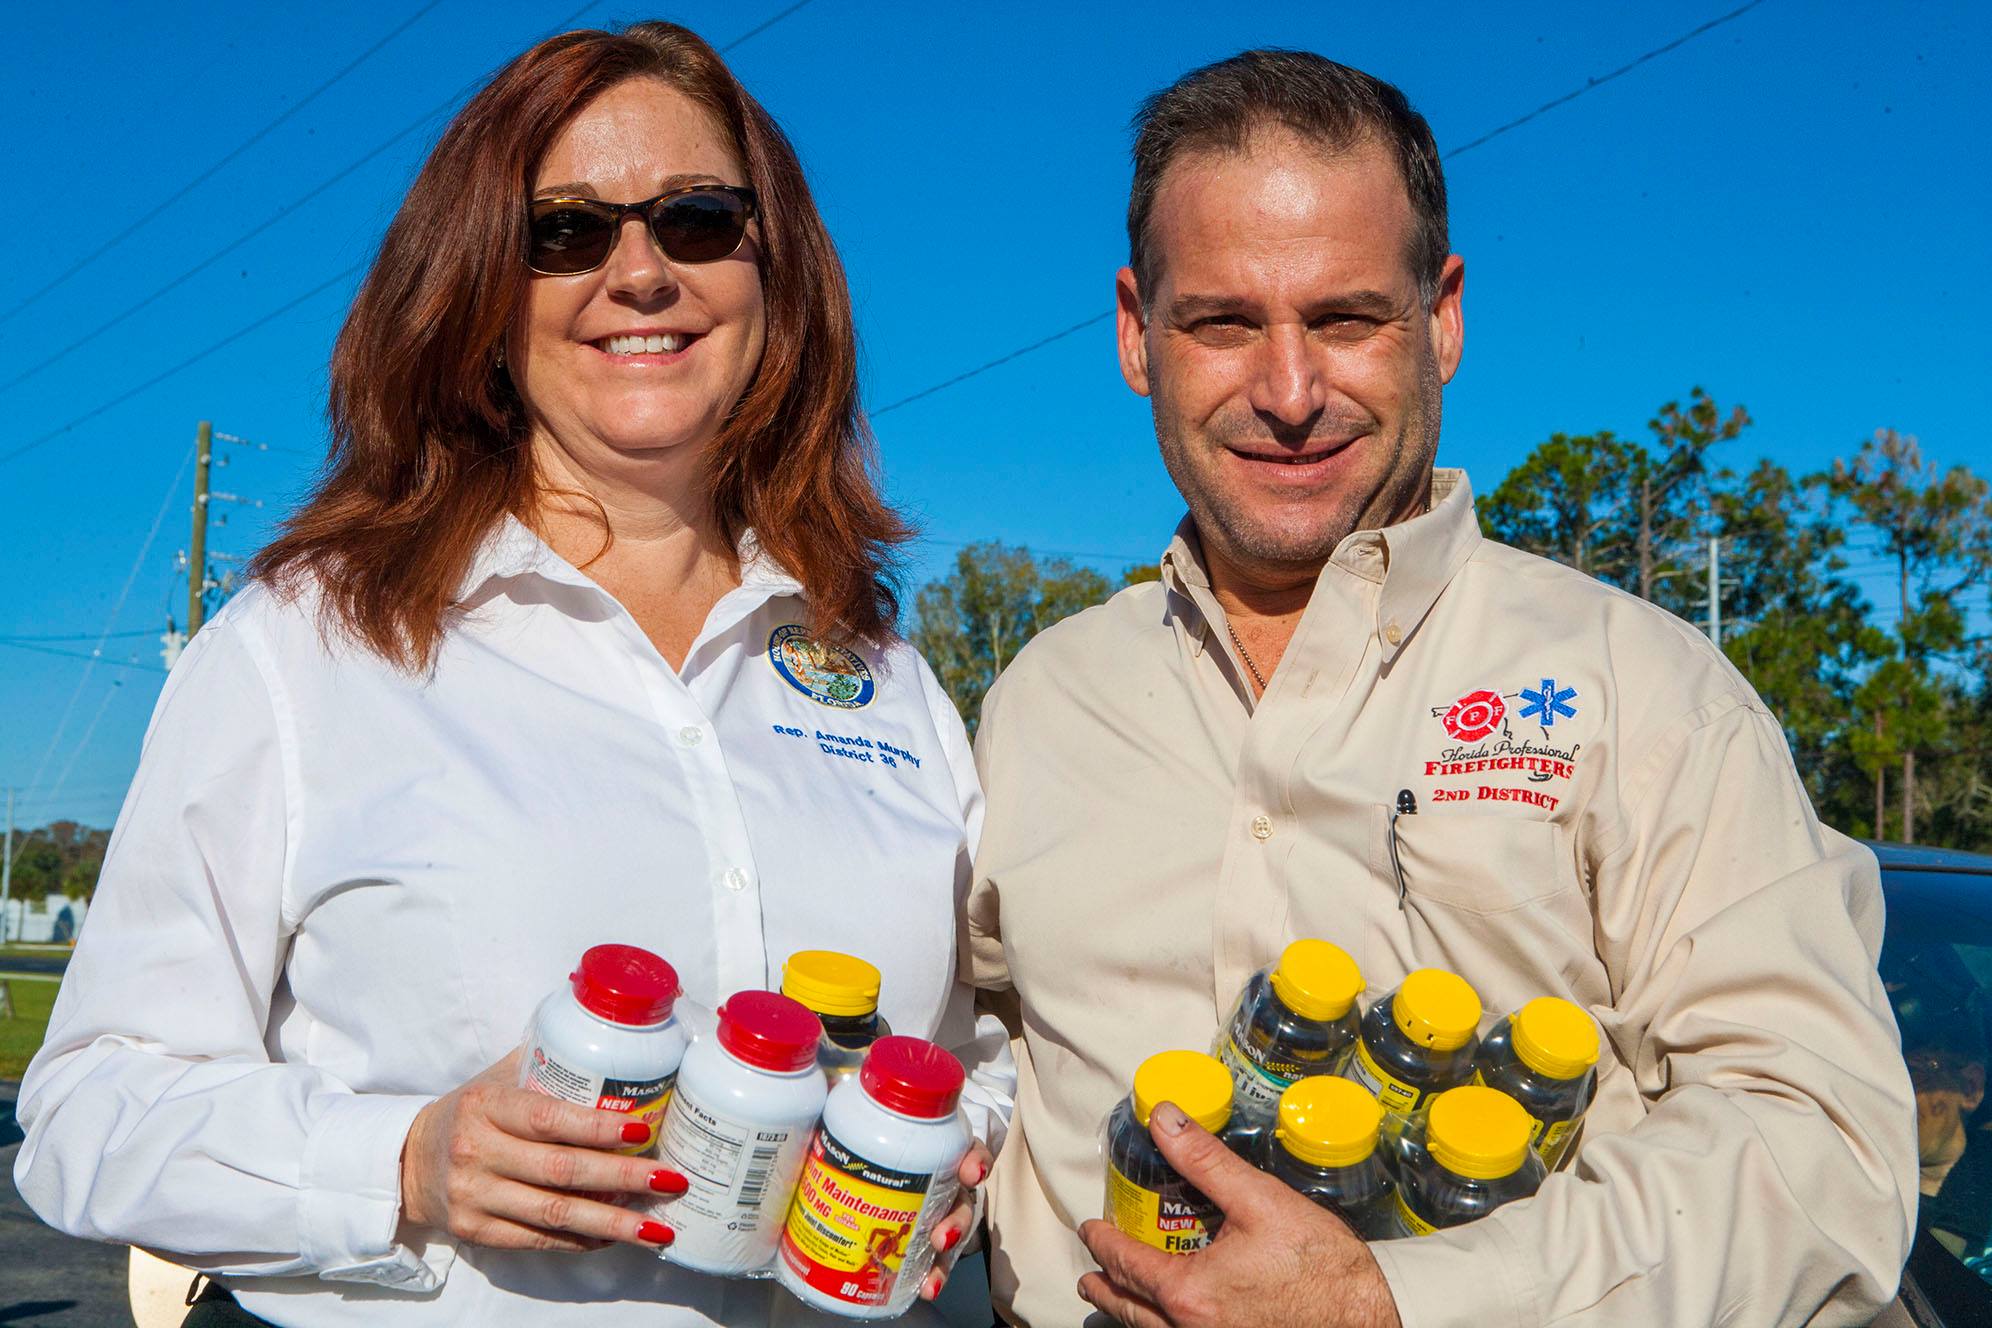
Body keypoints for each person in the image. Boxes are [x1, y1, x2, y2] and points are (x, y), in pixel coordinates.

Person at [14, 22, 1009, 1328]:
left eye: (699, 218)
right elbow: (89, 1112)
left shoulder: (885, 679)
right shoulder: (309, 643)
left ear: (776, 274)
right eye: (565, 232)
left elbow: (982, 1061)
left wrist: (961, 1166)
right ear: (483, 288)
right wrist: (407, 1162)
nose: (638, 272)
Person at [962, 49, 1917, 1327]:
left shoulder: (1639, 686)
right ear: (1140, 333)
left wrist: (1390, 1301)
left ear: (1443, 317)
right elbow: (967, 1066)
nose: (1289, 392)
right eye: (1224, 321)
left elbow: (1823, 1152)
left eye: (1348, 318)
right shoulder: (1039, 700)